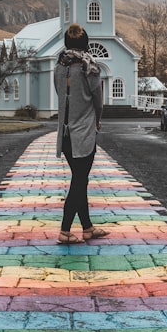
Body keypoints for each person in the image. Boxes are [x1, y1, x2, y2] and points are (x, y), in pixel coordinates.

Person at [54, 23, 109, 244]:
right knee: (79, 179)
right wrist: (97, 119)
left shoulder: (58, 67)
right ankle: (65, 230)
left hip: (65, 133)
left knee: (80, 179)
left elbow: (60, 93)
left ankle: (87, 227)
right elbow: (98, 98)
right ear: (85, 44)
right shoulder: (90, 67)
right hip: (84, 132)